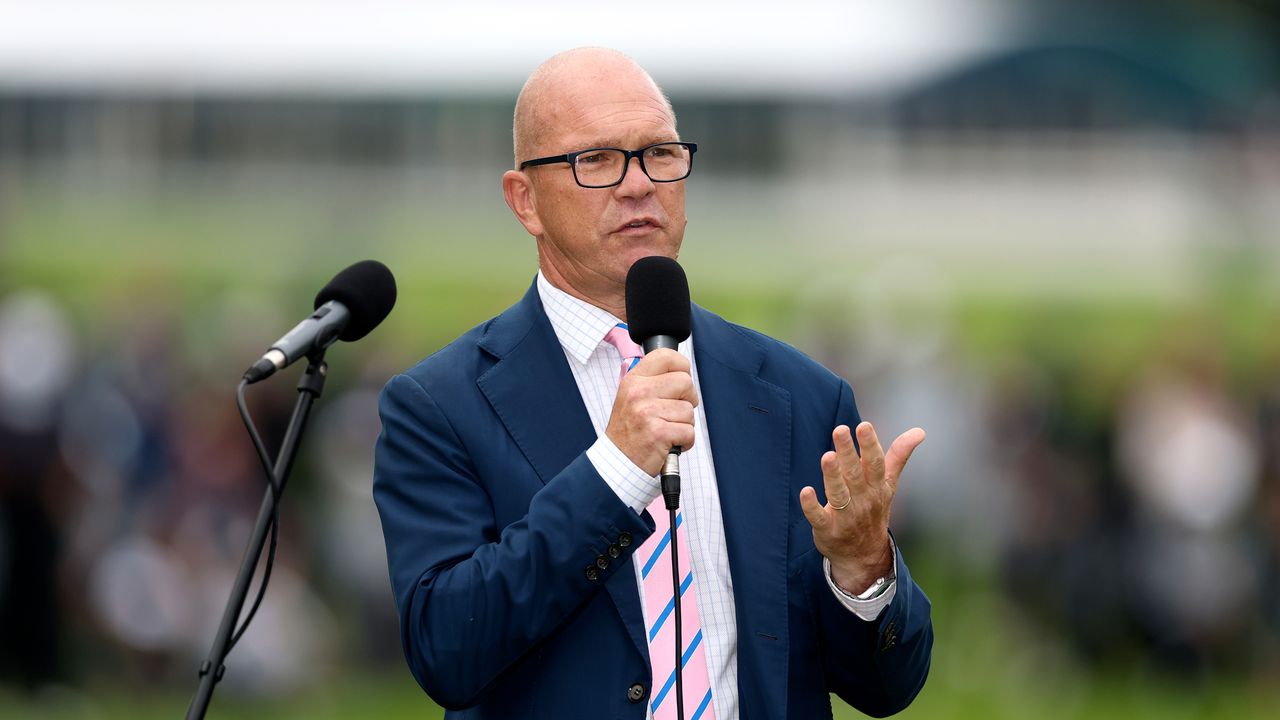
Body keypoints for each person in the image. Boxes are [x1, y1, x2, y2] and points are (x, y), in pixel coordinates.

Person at [373, 48, 933, 719]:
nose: (638, 184)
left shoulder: (798, 394)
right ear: (525, 201)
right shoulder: (440, 405)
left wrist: (863, 571)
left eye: (660, 154)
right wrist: (613, 472)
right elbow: (446, 650)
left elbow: (886, 689)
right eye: (598, 160)